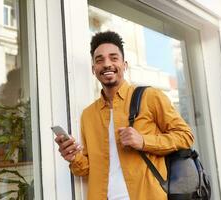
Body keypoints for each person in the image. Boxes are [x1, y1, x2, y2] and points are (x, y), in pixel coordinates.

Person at [55, 31, 194, 200]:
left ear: (124, 64)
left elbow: (185, 136)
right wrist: (73, 157)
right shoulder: (88, 115)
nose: (107, 64)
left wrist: (143, 141)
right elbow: (86, 169)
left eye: (113, 58)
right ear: (94, 69)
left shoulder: (150, 96)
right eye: (99, 60)